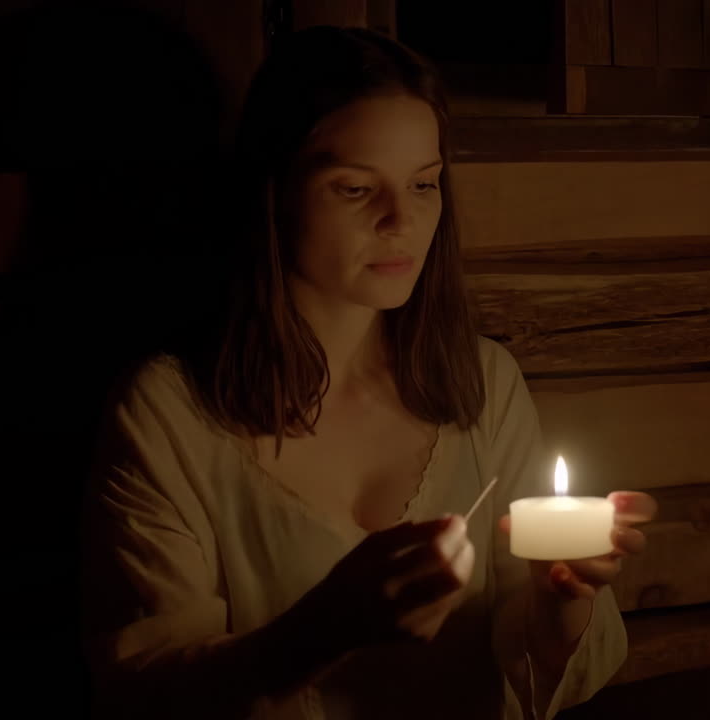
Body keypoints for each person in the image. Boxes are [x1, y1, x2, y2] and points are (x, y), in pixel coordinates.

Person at [79, 25, 657, 720]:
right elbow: (141, 691)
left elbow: (535, 666)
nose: (402, 221)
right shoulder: (170, 415)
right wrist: (320, 629)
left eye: (424, 185)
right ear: (274, 191)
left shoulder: (480, 385)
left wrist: (564, 600)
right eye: (355, 190)